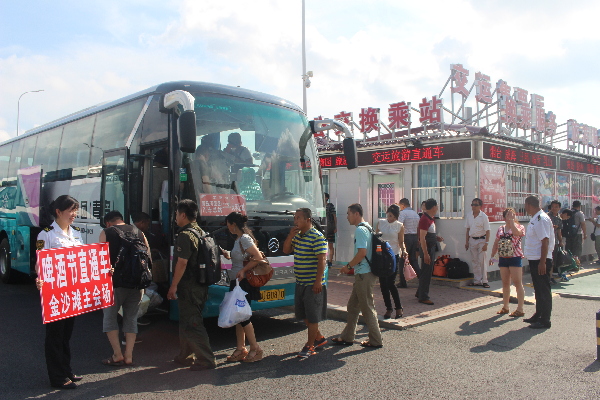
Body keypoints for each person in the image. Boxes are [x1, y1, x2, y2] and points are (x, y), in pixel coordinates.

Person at [35, 195, 84, 389]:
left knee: (66, 334)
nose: (74, 215)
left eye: (75, 211)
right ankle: (57, 377)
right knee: (55, 335)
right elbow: (40, 261)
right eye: (71, 210)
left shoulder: (77, 233)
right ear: (58, 212)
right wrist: (39, 279)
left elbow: (84, 259)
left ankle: (66, 369)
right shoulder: (45, 234)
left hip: (72, 292)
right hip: (54, 292)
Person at [167, 200, 217, 370]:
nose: (175, 218)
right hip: (200, 285)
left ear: (183, 215)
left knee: (193, 323)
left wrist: (173, 286)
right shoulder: (201, 231)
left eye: (176, 214)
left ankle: (206, 359)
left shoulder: (185, 235)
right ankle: (185, 355)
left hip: (189, 285)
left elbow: (182, 263)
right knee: (187, 321)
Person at [99, 211, 149, 367]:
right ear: (122, 219)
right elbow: (148, 258)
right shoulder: (138, 232)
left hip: (114, 284)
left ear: (108, 222)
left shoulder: (106, 232)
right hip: (136, 284)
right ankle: (129, 355)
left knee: (110, 318)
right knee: (131, 318)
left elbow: (101, 261)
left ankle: (117, 354)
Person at [333, 203, 383, 348]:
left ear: (356, 214)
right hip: (364, 273)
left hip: (364, 275)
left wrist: (348, 267)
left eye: (348, 213)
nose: (347, 217)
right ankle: (347, 337)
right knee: (353, 307)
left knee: (367, 307)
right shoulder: (367, 227)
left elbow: (362, 253)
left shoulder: (361, 230)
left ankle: (376, 340)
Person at [283, 208, 328, 358]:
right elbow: (286, 250)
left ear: (308, 220)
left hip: (311, 284)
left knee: (313, 316)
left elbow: (322, 260)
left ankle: (310, 346)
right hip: (301, 282)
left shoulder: (317, 236)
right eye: (295, 218)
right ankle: (319, 338)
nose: (295, 221)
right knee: (305, 315)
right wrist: (290, 236)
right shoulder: (299, 236)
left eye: (298, 218)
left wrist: (317, 282)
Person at [223, 212, 264, 363]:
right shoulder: (240, 239)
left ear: (233, 225)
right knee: (238, 316)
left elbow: (258, 257)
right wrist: (228, 254)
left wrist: (243, 271)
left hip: (243, 282)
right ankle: (241, 349)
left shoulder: (245, 238)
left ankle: (256, 349)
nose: (228, 228)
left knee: (244, 317)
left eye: (228, 225)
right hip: (238, 282)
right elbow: (241, 257)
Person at [523, 196, 555, 329]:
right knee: (538, 289)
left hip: (540, 260)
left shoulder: (541, 219)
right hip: (534, 259)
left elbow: (545, 241)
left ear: (529, 205)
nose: (524, 208)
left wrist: (543, 262)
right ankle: (539, 314)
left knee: (543, 290)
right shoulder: (535, 218)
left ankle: (545, 319)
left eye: (525, 205)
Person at [489, 208, 525, 317]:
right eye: (508, 215)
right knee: (505, 282)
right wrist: (492, 257)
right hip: (503, 257)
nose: (510, 217)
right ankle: (505, 306)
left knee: (517, 282)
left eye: (512, 215)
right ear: (504, 217)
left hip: (515, 257)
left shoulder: (520, 227)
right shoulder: (501, 229)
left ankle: (520, 308)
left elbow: (517, 233)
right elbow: (496, 243)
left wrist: (512, 222)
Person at [376, 204, 406, 319]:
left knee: (391, 283)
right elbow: (376, 238)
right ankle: (388, 308)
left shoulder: (399, 226)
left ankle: (398, 308)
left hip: (393, 256)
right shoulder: (381, 223)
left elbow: (401, 241)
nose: (390, 218)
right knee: (383, 284)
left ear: (397, 216)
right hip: (381, 256)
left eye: (392, 216)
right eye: (389, 215)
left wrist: (404, 251)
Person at [417, 198, 444, 305]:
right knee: (426, 273)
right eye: (437, 206)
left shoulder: (430, 218)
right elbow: (422, 238)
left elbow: (428, 234)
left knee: (425, 272)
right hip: (427, 248)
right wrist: (426, 254)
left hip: (431, 246)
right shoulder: (424, 219)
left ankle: (420, 292)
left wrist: (436, 237)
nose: (437, 208)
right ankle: (423, 296)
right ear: (433, 207)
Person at [465, 198, 491, 288]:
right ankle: (477, 280)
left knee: (482, 261)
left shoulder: (483, 216)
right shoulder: (469, 215)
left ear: (480, 206)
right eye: (472, 204)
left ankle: (484, 280)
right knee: (474, 260)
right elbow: (467, 229)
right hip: (472, 239)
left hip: (481, 240)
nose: (474, 207)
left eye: (476, 205)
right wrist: (467, 242)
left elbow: (488, 231)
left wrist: (486, 243)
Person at [398, 198, 421, 286]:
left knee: (402, 260)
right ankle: (421, 278)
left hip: (406, 237)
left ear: (403, 205)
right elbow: (418, 227)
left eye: (400, 206)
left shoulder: (403, 213)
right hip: (414, 237)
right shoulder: (415, 214)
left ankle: (402, 282)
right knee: (413, 259)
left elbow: (399, 225)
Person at [566, 200, 586, 267]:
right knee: (577, 250)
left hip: (568, 234)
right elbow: (583, 224)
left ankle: (569, 264)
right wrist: (585, 233)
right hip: (577, 233)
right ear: (579, 206)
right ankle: (576, 265)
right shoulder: (580, 213)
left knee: (569, 249)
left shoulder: (568, 212)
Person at [547, 201, 563, 283]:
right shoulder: (546, 216)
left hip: (555, 241)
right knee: (546, 258)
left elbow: (559, 231)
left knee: (552, 259)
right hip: (546, 241)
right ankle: (547, 276)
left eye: (556, 207)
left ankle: (550, 275)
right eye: (553, 206)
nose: (554, 208)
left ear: (559, 208)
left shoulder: (559, 219)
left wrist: (561, 241)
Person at [325, 193, 337, 268]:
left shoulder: (330, 206)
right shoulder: (319, 205)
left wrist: (335, 227)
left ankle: (330, 261)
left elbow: (334, 216)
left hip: (330, 228)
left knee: (330, 245)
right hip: (322, 228)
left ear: (326, 198)